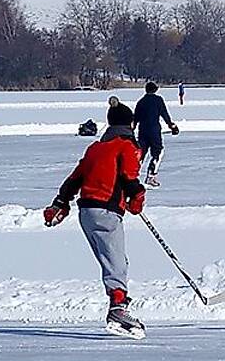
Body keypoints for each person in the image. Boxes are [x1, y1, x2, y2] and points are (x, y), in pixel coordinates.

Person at [44, 100, 148, 338]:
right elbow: (129, 176)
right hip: (106, 212)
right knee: (117, 263)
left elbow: (75, 178)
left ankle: (117, 304)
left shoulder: (95, 147)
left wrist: (59, 203)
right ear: (130, 124)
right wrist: (137, 196)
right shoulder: (127, 145)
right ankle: (118, 309)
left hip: (86, 212)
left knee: (109, 260)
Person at [133, 81, 179, 186]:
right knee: (158, 152)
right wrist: (172, 126)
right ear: (155, 90)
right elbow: (164, 114)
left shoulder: (141, 101)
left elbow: (135, 119)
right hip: (154, 132)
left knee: (141, 154)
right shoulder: (158, 100)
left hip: (142, 132)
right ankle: (151, 175)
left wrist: (130, 131)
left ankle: (132, 176)